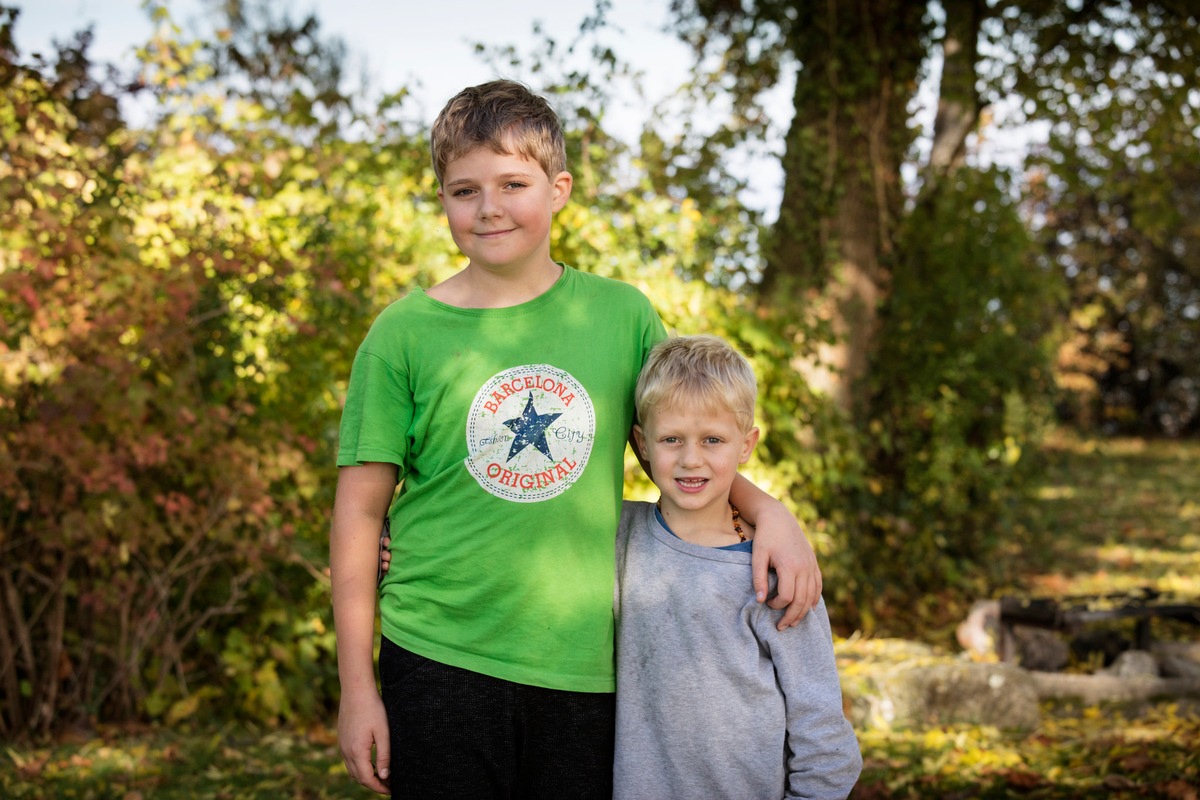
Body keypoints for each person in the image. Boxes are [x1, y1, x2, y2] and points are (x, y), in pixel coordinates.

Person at [329, 78, 822, 799]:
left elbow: (678, 447)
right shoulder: (402, 334)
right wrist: (356, 688)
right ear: (442, 199)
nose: (489, 207)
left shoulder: (620, 317)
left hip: (584, 661)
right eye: (464, 190)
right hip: (436, 652)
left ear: (558, 188)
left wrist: (772, 512)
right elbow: (358, 513)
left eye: (513, 183)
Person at [614, 335, 862, 799]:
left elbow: (824, 740)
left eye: (713, 439)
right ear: (641, 444)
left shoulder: (775, 574)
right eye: (672, 439)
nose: (691, 458)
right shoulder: (618, 537)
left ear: (746, 445)